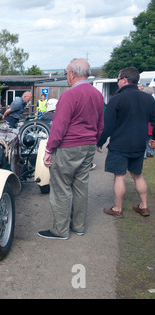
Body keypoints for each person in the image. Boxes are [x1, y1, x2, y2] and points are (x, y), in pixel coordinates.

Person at [39, 58, 104, 240]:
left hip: (69, 146)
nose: (66, 76)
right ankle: (79, 226)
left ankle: (60, 230)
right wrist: (96, 141)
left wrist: (49, 149)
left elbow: (59, 126)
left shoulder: (69, 95)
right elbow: (100, 123)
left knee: (61, 187)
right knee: (81, 186)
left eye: (66, 73)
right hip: (88, 145)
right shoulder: (97, 95)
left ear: (73, 73)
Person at [97, 67, 155, 218]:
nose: (118, 83)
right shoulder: (148, 99)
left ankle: (117, 209)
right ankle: (144, 206)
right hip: (139, 144)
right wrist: (153, 138)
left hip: (120, 144)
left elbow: (107, 125)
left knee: (120, 176)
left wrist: (100, 142)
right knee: (138, 175)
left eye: (118, 80)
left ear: (124, 80)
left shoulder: (116, 99)